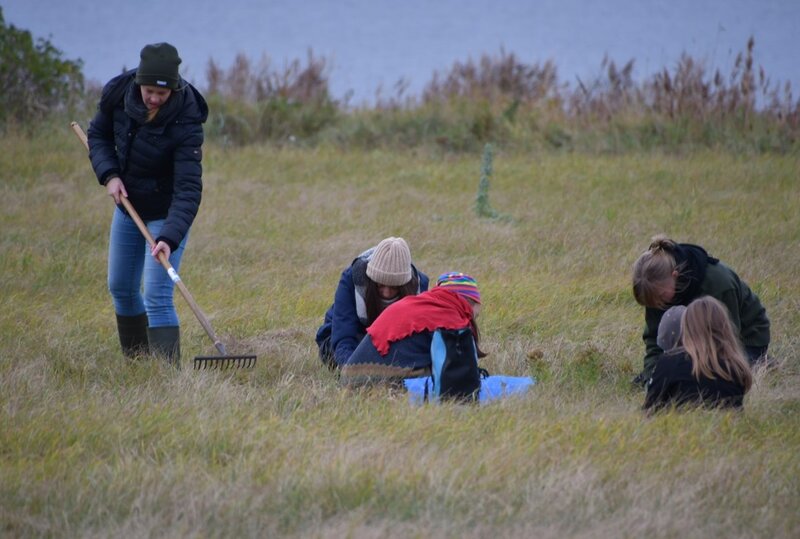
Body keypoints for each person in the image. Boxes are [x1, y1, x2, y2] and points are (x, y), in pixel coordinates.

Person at [87, 42, 208, 366]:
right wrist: (109, 175)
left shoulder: (187, 120)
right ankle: (139, 365)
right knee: (121, 288)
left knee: (157, 295)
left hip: (167, 214)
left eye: (162, 94)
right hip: (128, 208)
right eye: (149, 91)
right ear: (139, 82)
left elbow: (188, 189)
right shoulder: (118, 96)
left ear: (174, 89)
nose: (154, 98)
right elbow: (97, 135)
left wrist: (168, 238)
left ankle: (167, 378)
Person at [631, 234, 769, 385]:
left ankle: (761, 361)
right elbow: (655, 339)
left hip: (743, 339)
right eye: (653, 302)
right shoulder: (655, 290)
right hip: (693, 342)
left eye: (661, 296)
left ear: (675, 275)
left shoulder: (718, 283)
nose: (658, 304)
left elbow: (728, 341)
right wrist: (652, 374)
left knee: (714, 380)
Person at [340, 272, 485, 387]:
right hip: (368, 381)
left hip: (350, 375)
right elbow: (460, 371)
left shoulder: (420, 304)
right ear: (469, 302)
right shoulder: (450, 318)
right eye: (475, 314)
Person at [315, 237, 429, 368]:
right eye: (380, 286)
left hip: (391, 341)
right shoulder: (351, 279)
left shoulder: (419, 287)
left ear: (404, 285)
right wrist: (350, 370)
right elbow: (343, 336)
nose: (386, 293)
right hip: (347, 337)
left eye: (394, 287)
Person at [643, 296, 753, 412]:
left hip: (681, 428)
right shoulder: (737, 367)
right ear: (725, 326)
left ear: (687, 326)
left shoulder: (670, 362)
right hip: (727, 429)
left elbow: (650, 409)